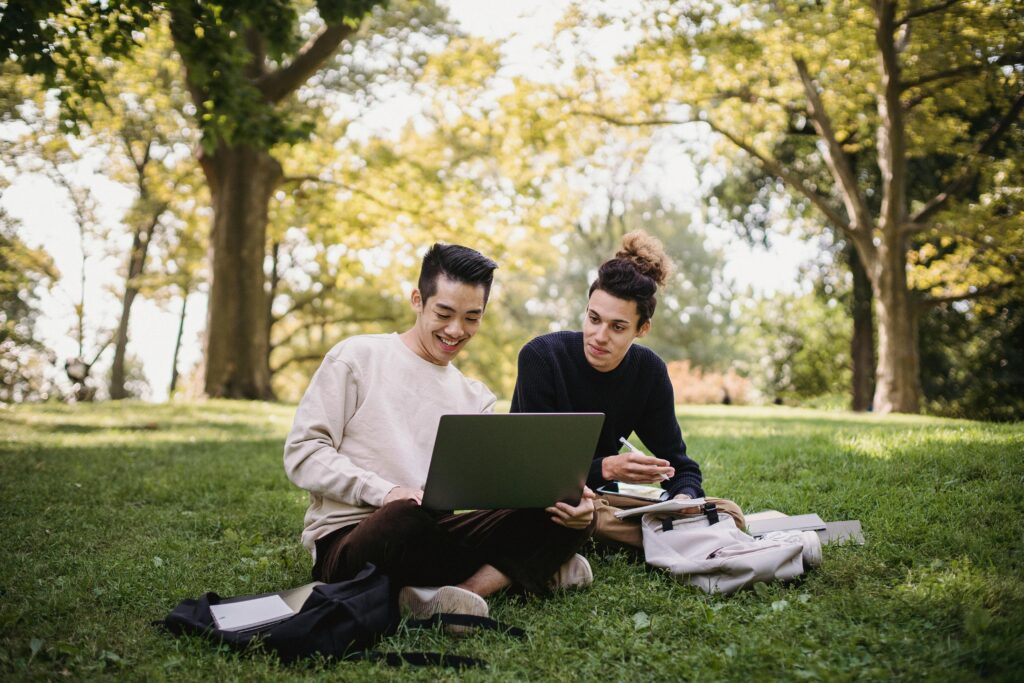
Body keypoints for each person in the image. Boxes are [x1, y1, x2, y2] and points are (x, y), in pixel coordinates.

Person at [284, 243, 595, 622]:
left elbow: (487, 491)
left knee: (571, 509)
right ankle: (525, 571)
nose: (455, 330)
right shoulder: (357, 357)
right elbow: (303, 453)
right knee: (403, 519)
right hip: (359, 537)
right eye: (444, 313)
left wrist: (557, 496)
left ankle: (459, 594)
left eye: (471, 318)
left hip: (437, 533)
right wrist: (387, 493)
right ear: (418, 300)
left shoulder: (476, 396)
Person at [510, 231, 744, 548]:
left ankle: (675, 528)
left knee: (728, 511)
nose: (598, 336)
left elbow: (681, 467)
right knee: (583, 515)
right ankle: (682, 534)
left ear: (642, 328)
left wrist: (685, 498)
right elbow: (535, 473)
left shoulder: (648, 372)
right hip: (545, 501)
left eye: (617, 327)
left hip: (601, 503)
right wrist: (607, 468)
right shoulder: (541, 357)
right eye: (593, 318)